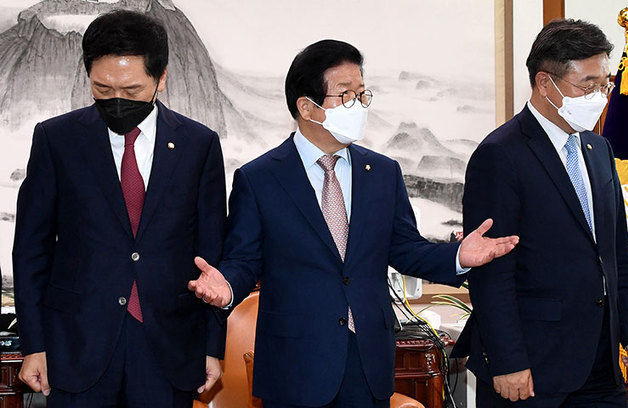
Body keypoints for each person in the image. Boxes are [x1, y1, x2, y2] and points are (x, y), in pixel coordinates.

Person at [187, 39, 519, 408]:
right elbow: (244, 260)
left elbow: (406, 249)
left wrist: (458, 256)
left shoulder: (382, 173)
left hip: (368, 361)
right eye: (345, 95)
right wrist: (227, 287)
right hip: (295, 366)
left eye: (362, 94)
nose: (358, 105)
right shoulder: (259, 178)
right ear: (306, 107)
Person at [12, 10, 226, 407]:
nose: (116, 101)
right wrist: (34, 344)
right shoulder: (56, 140)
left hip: (168, 345)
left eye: (131, 90)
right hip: (78, 344)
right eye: (102, 88)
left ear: (161, 79)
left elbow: (212, 253)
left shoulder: (199, 145)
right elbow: (31, 250)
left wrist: (213, 346)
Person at [454, 19, 628, 407]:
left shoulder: (599, 149)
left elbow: (617, 252)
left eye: (605, 85)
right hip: (532, 363)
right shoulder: (501, 154)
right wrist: (508, 360)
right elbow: (492, 272)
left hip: (601, 361)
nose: (600, 97)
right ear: (545, 83)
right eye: (587, 86)